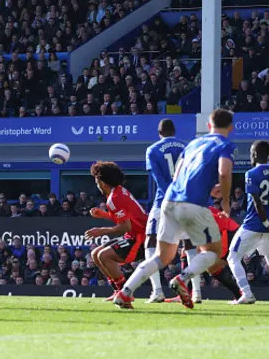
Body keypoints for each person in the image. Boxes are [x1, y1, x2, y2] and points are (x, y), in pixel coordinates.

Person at [114, 108, 236, 309]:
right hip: (194, 204)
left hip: (169, 201)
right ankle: (183, 279)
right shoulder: (225, 145)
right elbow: (224, 173)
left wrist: (203, 186)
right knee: (213, 251)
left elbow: (178, 173)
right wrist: (225, 201)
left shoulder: (193, 144)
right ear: (231, 128)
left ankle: (125, 292)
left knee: (161, 256)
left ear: (208, 126)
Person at [228, 141, 269, 305]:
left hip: (253, 223)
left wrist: (266, 221)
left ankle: (246, 293)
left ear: (254, 154)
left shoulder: (252, 173)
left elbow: (256, 200)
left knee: (233, 257)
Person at [84, 161, 147, 301]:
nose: (96, 184)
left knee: (104, 256)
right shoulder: (118, 191)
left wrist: (101, 230)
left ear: (103, 182)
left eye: (96, 181)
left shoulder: (114, 199)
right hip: (133, 234)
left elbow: (126, 226)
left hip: (141, 238)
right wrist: (104, 215)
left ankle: (126, 294)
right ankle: (117, 291)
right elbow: (126, 219)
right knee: (95, 254)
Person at [143, 118, 185, 303]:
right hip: (185, 201)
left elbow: (159, 179)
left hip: (164, 202)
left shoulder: (152, 149)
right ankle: (196, 292)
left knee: (150, 242)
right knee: (189, 244)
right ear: (174, 131)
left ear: (159, 133)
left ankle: (157, 291)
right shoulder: (186, 147)